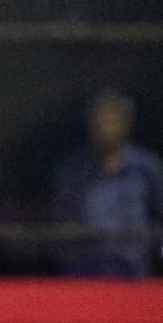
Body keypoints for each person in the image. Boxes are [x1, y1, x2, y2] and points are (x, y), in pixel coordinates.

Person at [54, 89, 162, 277]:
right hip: (83, 273)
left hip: (133, 272)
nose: (106, 129)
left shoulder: (146, 167)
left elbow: (159, 214)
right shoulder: (72, 170)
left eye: (113, 121)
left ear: (126, 125)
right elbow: (61, 223)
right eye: (100, 122)